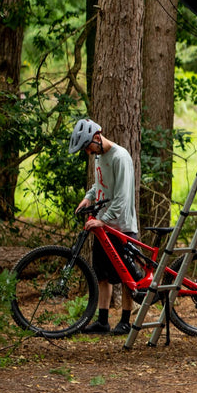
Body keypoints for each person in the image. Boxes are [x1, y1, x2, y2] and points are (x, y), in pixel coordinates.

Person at [70, 118, 138, 335]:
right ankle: (102, 321)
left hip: (121, 226)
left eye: (88, 146)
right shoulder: (99, 156)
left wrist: (103, 219)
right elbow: (99, 184)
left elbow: (122, 197)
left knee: (127, 276)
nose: (88, 153)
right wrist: (88, 198)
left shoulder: (120, 157)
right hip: (103, 225)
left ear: (97, 137)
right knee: (102, 274)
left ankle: (126, 321)